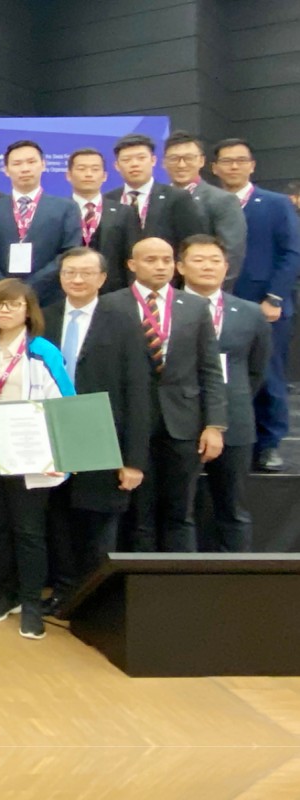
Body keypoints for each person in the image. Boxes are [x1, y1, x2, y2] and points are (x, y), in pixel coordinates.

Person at [40, 247, 151, 615]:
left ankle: (95, 600)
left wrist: (133, 460)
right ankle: (63, 592)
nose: (77, 279)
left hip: (103, 433)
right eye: (70, 272)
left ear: (102, 278)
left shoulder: (123, 322)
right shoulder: (44, 319)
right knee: (59, 519)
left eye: (86, 273)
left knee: (99, 521)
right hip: (54, 429)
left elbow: (137, 392)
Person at [101, 237, 226, 553]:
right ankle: (142, 580)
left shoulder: (195, 307)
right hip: (133, 424)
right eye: (151, 260)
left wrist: (214, 425)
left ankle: (181, 579)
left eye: (167, 260)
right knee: (139, 514)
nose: (160, 266)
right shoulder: (111, 305)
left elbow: (210, 369)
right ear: (132, 264)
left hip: (183, 422)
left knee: (180, 513)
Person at [0, 279, 75, 640]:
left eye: (14, 304)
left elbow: (65, 400)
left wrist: (61, 452)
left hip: (33, 454)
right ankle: (7, 593)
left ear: (28, 311)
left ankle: (32, 603)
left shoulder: (43, 351)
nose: (5, 310)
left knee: (29, 531)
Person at [210, 137, 300, 473]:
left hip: (265, 305)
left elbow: (292, 252)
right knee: (219, 375)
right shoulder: (208, 202)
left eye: (240, 160)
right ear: (214, 167)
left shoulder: (275, 203)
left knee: (268, 375)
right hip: (218, 303)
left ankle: (269, 444)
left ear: (252, 165)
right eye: (226, 161)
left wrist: (275, 297)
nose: (234, 166)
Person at [177, 235, 270, 552]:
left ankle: (238, 576)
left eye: (215, 260)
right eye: (199, 260)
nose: (208, 266)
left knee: (233, 508)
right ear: (180, 267)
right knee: (179, 509)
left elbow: (257, 369)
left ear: (227, 267)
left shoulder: (250, 312)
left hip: (235, 420)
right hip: (180, 418)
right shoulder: (166, 310)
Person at [0, 140, 82, 307]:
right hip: (1, 298)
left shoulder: (66, 208)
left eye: (31, 162)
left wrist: (31, 286)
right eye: (17, 164)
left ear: (43, 165)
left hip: (49, 298)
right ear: (6, 170)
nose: (25, 169)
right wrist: (4, 286)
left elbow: (69, 252)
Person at [163, 132, 247, 278]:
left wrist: (212, 288)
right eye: (174, 159)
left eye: (189, 158)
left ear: (201, 161)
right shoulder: (157, 198)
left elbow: (231, 253)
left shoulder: (223, 200)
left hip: (204, 286)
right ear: (163, 162)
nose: (181, 164)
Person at [106, 134, 206, 251]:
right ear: (117, 166)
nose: (134, 164)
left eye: (141, 158)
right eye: (126, 160)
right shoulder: (108, 200)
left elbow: (191, 242)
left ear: (153, 160)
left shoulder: (177, 197)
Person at [65, 148, 141, 293]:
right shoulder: (59, 210)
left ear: (104, 176)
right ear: (68, 175)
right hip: (69, 289)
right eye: (82, 169)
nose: (88, 174)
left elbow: (131, 255)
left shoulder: (124, 212)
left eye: (95, 169)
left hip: (114, 291)